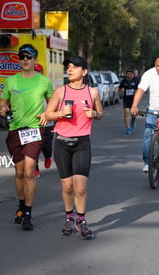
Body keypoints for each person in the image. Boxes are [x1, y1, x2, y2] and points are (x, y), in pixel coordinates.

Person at [45, 56, 103, 239]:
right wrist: (61, 113)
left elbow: (100, 113)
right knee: (67, 186)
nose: (69, 70)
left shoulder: (92, 92)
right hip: (61, 142)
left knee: (80, 188)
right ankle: (69, 217)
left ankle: (82, 221)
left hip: (82, 143)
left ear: (84, 72)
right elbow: (48, 114)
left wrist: (94, 113)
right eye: (68, 67)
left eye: (74, 67)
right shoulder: (61, 91)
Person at [0, 44, 53, 231]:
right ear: (19, 60)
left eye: (29, 57)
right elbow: (3, 101)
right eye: (22, 56)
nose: (25, 60)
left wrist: (48, 114)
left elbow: (52, 103)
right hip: (15, 130)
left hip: (34, 130)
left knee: (30, 171)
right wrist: (3, 107)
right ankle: (21, 206)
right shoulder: (11, 81)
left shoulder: (44, 82)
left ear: (35, 60)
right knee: (19, 172)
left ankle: (28, 213)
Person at [33, 63, 53, 178]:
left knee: (46, 145)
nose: (36, 73)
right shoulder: (27, 85)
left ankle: (47, 156)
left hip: (47, 121)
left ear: (42, 73)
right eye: (34, 71)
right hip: (32, 123)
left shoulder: (46, 84)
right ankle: (35, 168)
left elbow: (53, 102)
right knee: (33, 147)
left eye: (38, 71)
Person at [118, 69, 140, 134]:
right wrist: (122, 91)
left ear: (132, 74)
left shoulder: (135, 81)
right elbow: (119, 89)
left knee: (133, 114)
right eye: (128, 73)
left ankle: (133, 121)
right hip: (126, 100)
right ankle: (128, 128)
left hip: (133, 100)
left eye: (130, 73)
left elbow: (139, 90)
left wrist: (135, 91)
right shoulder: (124, 81)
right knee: (126, 113)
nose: (129, 75)